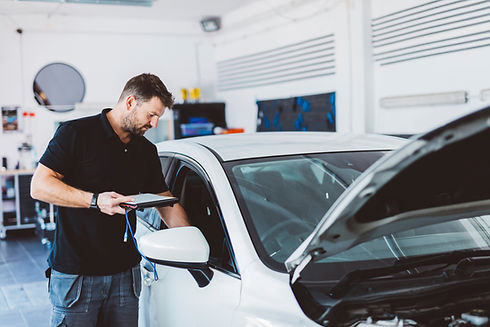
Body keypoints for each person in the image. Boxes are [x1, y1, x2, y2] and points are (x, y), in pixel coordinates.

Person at [30, 73, 190, 327]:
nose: (155, 123)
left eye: (159, 116)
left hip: (125, 277)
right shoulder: (75, 133)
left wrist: (191, 241)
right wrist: (95, 201)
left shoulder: (145, 151)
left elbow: (165, 202)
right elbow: (39, 186)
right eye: (151, 114)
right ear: (130, 102)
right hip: (77, 276)